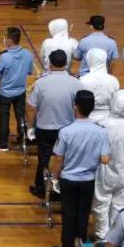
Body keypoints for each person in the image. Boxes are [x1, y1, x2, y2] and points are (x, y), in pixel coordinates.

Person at [50, 90, 110, 247]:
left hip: (69, 179)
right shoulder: (101, 131)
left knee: (69, 215)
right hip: (88, 180)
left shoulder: (66, 131)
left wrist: (54, 178)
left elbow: (59, 159)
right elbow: (105, 159)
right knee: (83, 215)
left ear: (75, 106)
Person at [27, 50, 81, 198]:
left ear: (50, 64)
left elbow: (31, 107)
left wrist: (30, 127)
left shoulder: (41, 83)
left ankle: (40, 188)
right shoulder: (76, 83)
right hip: (67, 128)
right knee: (65, 159)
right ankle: (62, 188)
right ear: (66, 63)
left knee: (43, 158)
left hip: (44, 128)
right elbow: (79, 107)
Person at [92, 91, 124, 241]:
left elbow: (97, 150)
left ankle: (102, 235)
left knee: (101, 203)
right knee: (121, 205)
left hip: (104, 169)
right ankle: (115, 236)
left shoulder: (102, 123)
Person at [0, 27, 34, 151]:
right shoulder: (27, 54)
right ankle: (23, 139)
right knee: (21, 117)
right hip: (20, 91)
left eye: (5, 37)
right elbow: (30, 71)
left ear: (10, 40)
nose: (4, 39)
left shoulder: (5, 57)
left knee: (4, 118)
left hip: (5, 93)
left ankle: (3, 143)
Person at [79, 49, 119, 124]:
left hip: (87, 118)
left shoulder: (82, 80)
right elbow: (115, 101)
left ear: (89, 60)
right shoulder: (113, 81)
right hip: (108, 118)